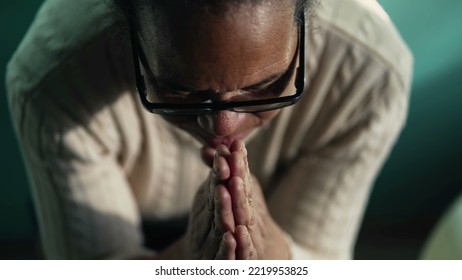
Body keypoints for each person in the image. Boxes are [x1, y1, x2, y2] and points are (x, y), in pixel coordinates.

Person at [6, 0, 412, 259]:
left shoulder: (371, 77)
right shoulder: (51, 80)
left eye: (264, 87)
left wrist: (276, 254)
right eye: (176, 89)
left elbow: (322, 256)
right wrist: (185, 260)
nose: (223, 125)